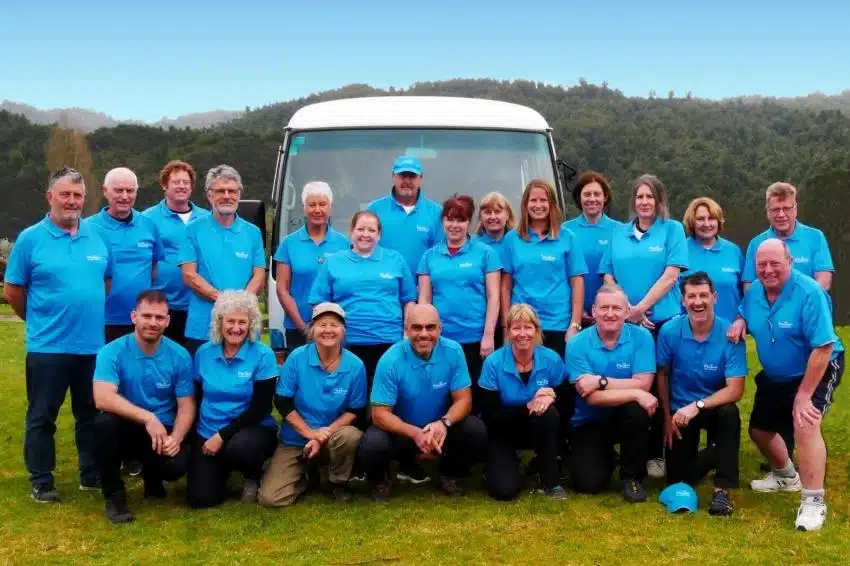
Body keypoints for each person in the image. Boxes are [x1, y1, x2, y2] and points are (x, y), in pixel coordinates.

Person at [4, 167, 110, 502]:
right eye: (65, 194)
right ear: (50, 196)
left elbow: (105, 281)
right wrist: (37, 319)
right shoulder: (30, 239)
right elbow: (14, 289)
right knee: (42, 416)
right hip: (48, 346)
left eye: (78, 195)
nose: (72, 201)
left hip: (91, 346)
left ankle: (90, 473)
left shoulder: (96, 236)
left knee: (90, 415)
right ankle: (41, 479)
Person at [728, 239, 844, 531]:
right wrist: (741, 321)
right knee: (759, 430)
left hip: (816, 367)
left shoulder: (809, 293)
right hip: (778, 374)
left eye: (775, 264)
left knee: (805, 422)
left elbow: (823, 348)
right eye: (761, 265)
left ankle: (813, 501)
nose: (768, 270)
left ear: (790, 263)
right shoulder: (754, 291)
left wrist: (804, 395)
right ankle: (785, 476)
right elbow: (745, 310)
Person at [599, 174, 688, 479]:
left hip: (662, 322)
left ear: (659, 200)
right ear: (633, 201)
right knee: (634, 387)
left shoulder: (672, 230)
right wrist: (626, 310)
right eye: (639, 197)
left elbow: (671, 275)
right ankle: (631, 451)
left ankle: (661, 453)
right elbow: (607, 276)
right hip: (626, 324)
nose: (644, 202)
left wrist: (640, 309)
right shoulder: (619, 233)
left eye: (650, 197)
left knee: (665, 389)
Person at [358, 304, 487, 500]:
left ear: (440, 329)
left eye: (430, 327)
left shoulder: (454, 351)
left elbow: (464, 401)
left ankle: (449, 473)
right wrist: (415, 433)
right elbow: (380, 414)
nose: (424, 334)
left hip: (439, 428)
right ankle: (381, 479)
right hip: (402, 431)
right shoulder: (390, 359)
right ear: (406, 329)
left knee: (475, 430)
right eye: (417, 328)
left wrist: (443, 423)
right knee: (372, 443)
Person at [92, 290, 195, 523]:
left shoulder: (179, 356)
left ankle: (153, 477)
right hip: (127, 426)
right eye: (146, 316)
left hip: (163, 429)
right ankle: (114, 496)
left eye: (159, 318)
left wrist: (176, 439)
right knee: (103, 425)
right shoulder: (112, 352)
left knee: (175, 467)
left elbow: (186, 405)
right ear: (133, 317)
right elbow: (102, 398)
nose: (153, 323)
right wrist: (148, 418)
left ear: (168, 321)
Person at [656, 272, 746, 516]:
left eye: (704, 295)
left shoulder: (730, 334)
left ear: (714, 297)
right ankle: (719, 452)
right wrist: (666, 419)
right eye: (692, 296)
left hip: (713, 406)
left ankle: (722, 492)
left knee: (730, 413)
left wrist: (698, 405)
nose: (698, 302)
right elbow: (662, 375)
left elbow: (735, 390)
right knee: (679, 481)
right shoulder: (669, 331)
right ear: (683, 300)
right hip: (681, 412)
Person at [259, 303, 366, 507]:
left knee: (350, 436)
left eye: (334, 325)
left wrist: (322, 435)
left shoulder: (355, 365)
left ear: (343, 330)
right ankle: (307, 475)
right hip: (296, 438)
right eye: (322, 324)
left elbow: (355, 409)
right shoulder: (297, 358)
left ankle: (338, 482)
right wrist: (310, 434)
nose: (328, 330)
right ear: (312, 329)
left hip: (333, 436)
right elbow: (282, 402)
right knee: (270, 499)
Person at [186, 291, 278, 508]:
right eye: (230, 321)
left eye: (242, 322)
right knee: (201, 499)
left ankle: (253, 474)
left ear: (251, 324)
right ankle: (222, 467)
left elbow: (261, 408)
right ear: (220, 321)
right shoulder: (204, 353)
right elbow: (196, 398)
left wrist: (222, 436)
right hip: (208, 430)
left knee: (240, 447)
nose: (236, 328)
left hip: (251, 429)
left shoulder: (263, 355)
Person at [566, 285, 657, 502]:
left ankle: (631, 476)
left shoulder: (642, 337)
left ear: (627, 312)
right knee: (588, 484)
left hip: (626, 416)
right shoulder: (577, 343)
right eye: (604, 308)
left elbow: (643, 384)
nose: (610, 313)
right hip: (589, 420)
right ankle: (606, 455)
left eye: (616, 308)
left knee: (637, 410)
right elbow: (591, 397)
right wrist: (634, 391)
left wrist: (600, 381)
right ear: (594, 311)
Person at [309, 210, 416, 388]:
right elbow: (319, 303)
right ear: (351, 232)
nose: (365, 234)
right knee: (351, 398)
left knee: (387, 396)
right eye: (360, 229)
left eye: (372, 230)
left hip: (389, 342)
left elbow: (409, 300)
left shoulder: (395, 260)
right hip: (347, 343)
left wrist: (407, 334)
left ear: (379, 235)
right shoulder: (334, 262)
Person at [418, 195, 501, 412]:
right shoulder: (429, 256)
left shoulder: (485, 253)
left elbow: (494, 296)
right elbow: (424, 302)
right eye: (450, 219)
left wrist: (489, 334)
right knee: (441, 396)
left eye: (461, 220)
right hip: (441, 341)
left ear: (469, 223)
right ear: (443, 222)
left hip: (475, 340)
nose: (455, 225)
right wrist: (426, 334)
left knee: (475, 397)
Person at [479, 304, 569, 501]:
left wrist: (552, 395)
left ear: (536, 330)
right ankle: (503, 463)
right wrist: (527, 407)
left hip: (539, 428)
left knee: (550, 413)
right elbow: (489, 414)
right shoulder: (493, 363)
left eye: (528, 327)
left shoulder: (551, 359)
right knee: (504, 491)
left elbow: (567, 401)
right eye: (516, 328)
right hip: (503, 430)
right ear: (508, 331)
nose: (522, 334)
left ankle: (551, 481)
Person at [178, 165, 266, 356]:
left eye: (232, 191)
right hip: (203, 327)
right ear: (209, 195)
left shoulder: (253, 232)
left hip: (243, 326)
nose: (227, 196)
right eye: (220, 191)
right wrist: (225, 301)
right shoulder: (192, 230)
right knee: (201, 383)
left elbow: (259, 276)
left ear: (239, 194)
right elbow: (189, 275)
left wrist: (239, 306)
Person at [501, 179, 587, 357]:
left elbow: (577, 283)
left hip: (558, 324)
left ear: (552, 204)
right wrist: (506, 327)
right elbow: (505, 286)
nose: (538, 205)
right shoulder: (512, 239)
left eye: (543, 200)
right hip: (522, 327)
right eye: (533, 200)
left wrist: (575, 325)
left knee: (559, 383)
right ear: (526, 204)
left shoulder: (568, 238)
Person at [85, 167, 165, 343]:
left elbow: (153, 268)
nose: (124, 196)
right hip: (100, 321)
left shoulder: (149, 225)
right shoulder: (87, 229)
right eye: (118, 190)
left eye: (130, 191)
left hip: (141, 323)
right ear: (105, 191)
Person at [273, 182, 349, 351]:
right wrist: (304, 328)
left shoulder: (344, 244)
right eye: (312, 204)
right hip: (298, 329)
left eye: (322, 204)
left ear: (330, 207)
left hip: (334, 329)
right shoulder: (289, 243)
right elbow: (282, 289)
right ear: (304, 207)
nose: (317, 210)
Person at [143, 160, 211, 345]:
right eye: (176, 182)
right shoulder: (148, 218)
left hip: (199, 304)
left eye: (186, 182)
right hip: (163, 306)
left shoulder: (207, 218)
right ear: (164, 185)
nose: (182, 186)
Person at [742, 182, 833, 292]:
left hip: (807, 306)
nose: (781, 214)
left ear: (795, 209)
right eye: (775, 209)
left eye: (786, 208)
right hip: (770, 308)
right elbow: (749, 287)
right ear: (767, 212)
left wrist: (798, 303)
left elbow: (824, 281)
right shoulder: (756, 243)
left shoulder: (815, 237)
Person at [562, 172, 622, 326]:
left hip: (610, 315)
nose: (592, 199)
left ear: (605, 197)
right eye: (587, 194)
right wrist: (577, 310)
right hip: (572, 316)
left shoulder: (619, 230)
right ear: (579, 197)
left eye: (597, 194)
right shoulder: (566, 230)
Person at [367, 155, 442, 275]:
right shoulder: (374, 210)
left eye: (412, 176)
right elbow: (362, 250)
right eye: (402, 175)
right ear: (393, 177)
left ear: (420, 178)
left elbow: (440, 257)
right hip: (382, 290)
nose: (407, 181)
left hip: (422, 290)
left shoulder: (436, 212)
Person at [680, 197, 744, 323]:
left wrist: (742, 318)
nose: (707, 224)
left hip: (729, 332)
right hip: (689, 332)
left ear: (718, 221)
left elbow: (747, 293)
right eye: (700, 219)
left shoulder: (733, 251)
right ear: (692, 222)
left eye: (711, 218)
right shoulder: (680, 250)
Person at [473, 191, 516, 261]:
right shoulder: (472, 245)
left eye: (497, 211)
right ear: (481, 216)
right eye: (487, 212)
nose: (493, 217)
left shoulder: (517, 242)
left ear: (507, 215)